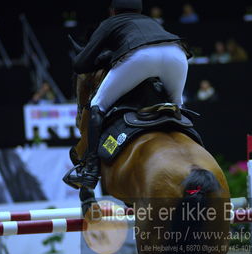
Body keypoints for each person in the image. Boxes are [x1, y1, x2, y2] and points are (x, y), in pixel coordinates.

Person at [68, 0, 192, 195]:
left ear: (113, 11)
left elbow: (80, 64)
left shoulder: (111, 22)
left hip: (141, 57)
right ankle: (192, 152)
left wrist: (104, 57)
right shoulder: (150, 22)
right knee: (176, 107)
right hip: (177, 54)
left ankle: (90, 170)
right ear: (140, 10)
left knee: (97, 105)